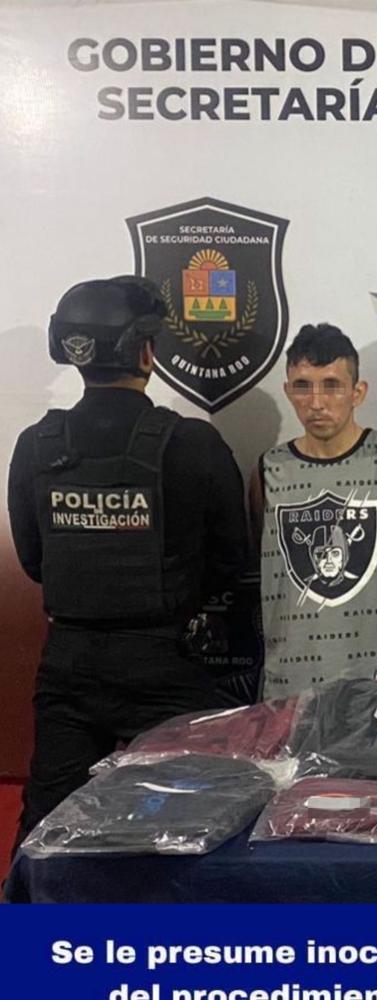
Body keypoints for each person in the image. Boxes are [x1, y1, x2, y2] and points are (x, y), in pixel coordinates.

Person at [6, 276, 246, 847]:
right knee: (189, 830)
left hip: (70, 664)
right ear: (145, 352)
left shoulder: (37, 445)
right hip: (165, 660)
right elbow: (232, 559)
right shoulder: (193, 442)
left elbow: (36, 562)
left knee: (47, 837)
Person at [251, 322, 377, 695]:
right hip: (290, 689)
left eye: (332, 385)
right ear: (288, 391)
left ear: (357, 392)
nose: (317, 402)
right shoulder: (267, 471)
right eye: (303, 386)